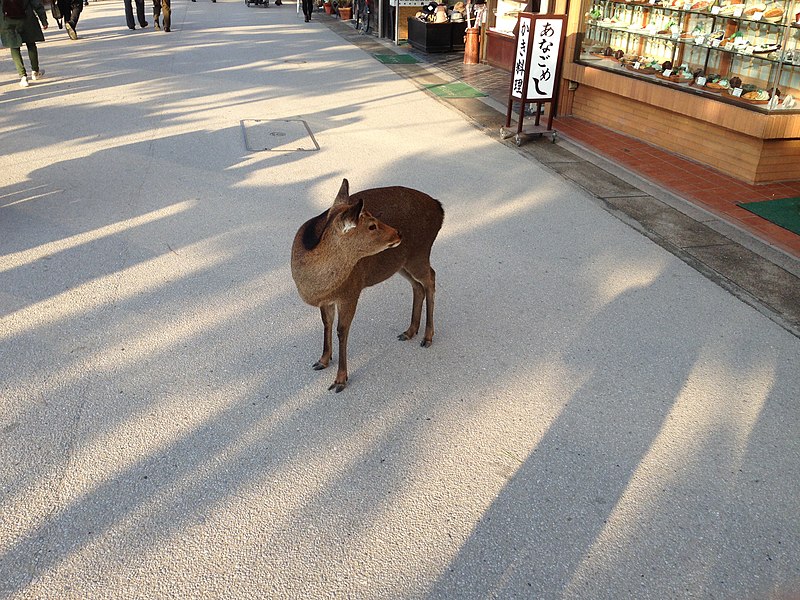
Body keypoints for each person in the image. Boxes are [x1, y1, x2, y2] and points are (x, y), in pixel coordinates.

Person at [1, 0, 48, 87]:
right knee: (31, 44)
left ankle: (23, 76)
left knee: (14, 47)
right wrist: (43, 20)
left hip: (7, 21)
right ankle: (35, 72)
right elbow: (37, 4)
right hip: (27, 19)